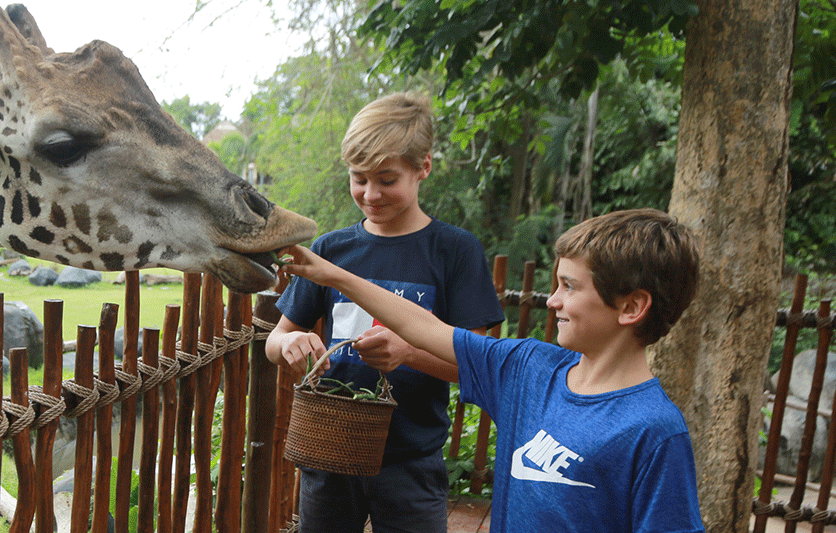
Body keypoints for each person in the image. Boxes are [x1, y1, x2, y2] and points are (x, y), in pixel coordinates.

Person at [279, 208, 706, 533]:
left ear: (631, 307)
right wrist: (333, 275)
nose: (552, 301)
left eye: (570, 287)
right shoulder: (528, 369)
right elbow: (424, 328)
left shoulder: (653, 433)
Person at [265, 92, 504, 533]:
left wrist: (409, 353)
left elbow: (478, 363)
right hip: (329, 454)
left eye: (387, 179)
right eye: (359, 179)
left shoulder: (455, 251)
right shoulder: (331, 250)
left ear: (423, 168)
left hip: (413, 462)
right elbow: (273, 341)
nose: (370, 194)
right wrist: (288, 343)